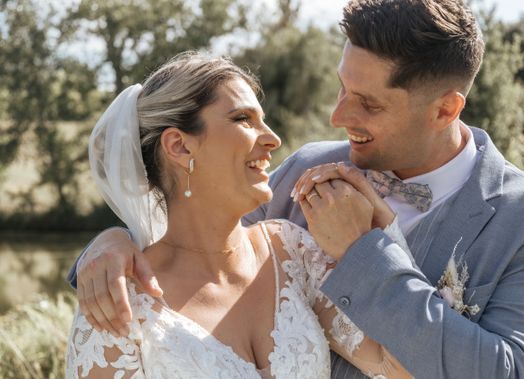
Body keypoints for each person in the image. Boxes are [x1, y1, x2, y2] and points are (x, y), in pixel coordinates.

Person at [68, 0, 524, 378]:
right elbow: (195, 241)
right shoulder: (309, 169)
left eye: (367, 104)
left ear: (444, 110)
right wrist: (114, 241)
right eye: (342, 89)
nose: (337, 117)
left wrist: (364, 252)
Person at [65, 51, 413, 378]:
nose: (273, 139)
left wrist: (381, 236)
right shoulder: (117, 301)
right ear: (180, 146)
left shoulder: (291, 250)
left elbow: (405, 365)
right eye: (243, 119)